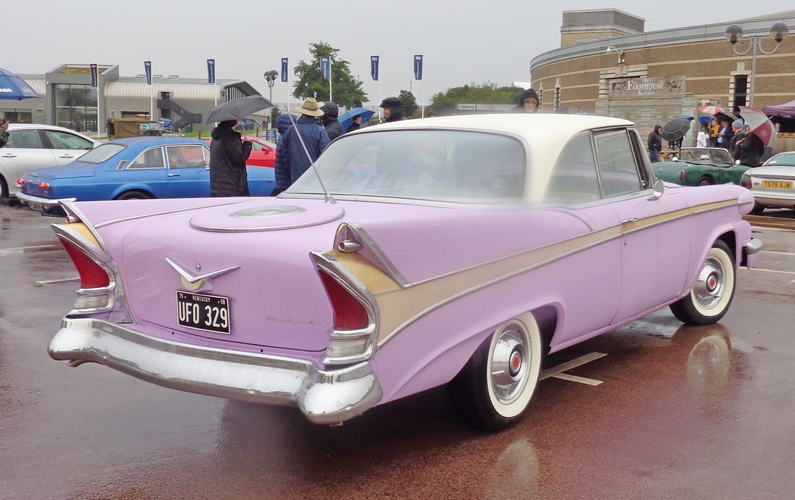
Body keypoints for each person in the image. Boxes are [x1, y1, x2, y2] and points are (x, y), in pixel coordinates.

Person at [274, 98, 330, 194]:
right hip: (315, 176)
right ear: (316, 115)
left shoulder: (291, 129)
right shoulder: (320, 131)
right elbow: (326, 154)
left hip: (295, 174)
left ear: (303, 113)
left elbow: (284, 152)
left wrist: (291, 166)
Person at [209, 119, 252, 197]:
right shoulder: (230, 137)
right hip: (231, 186)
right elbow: (238, 159)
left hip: (219, 185)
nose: (238, 121)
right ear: (233, 122)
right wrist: (247, 145)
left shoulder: (217, 137)